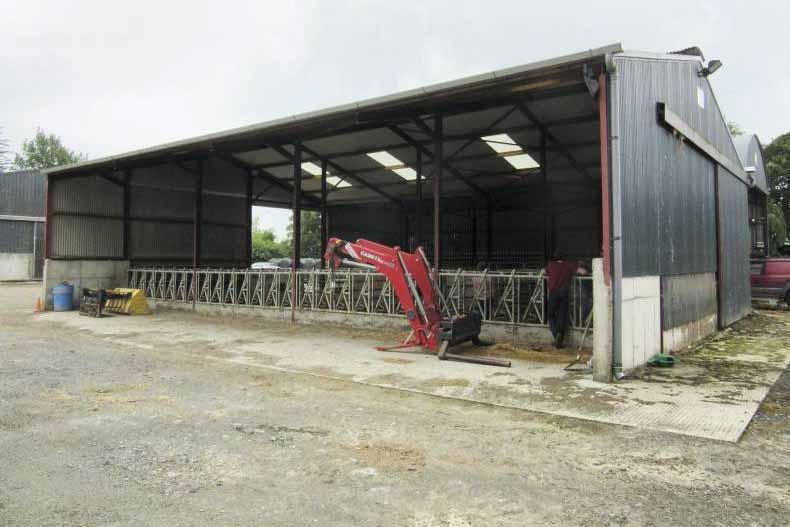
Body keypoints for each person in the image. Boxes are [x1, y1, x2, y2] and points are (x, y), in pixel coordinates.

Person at [545, 251, 588, 348]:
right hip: (564, 293)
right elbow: (583, 272)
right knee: (562, 315)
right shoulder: (568, 265)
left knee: (551, 315)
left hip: (553, 293)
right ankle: (559, 336)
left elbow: (543, 271)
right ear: (564, 258)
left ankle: (556, 335)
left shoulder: (551, 265)